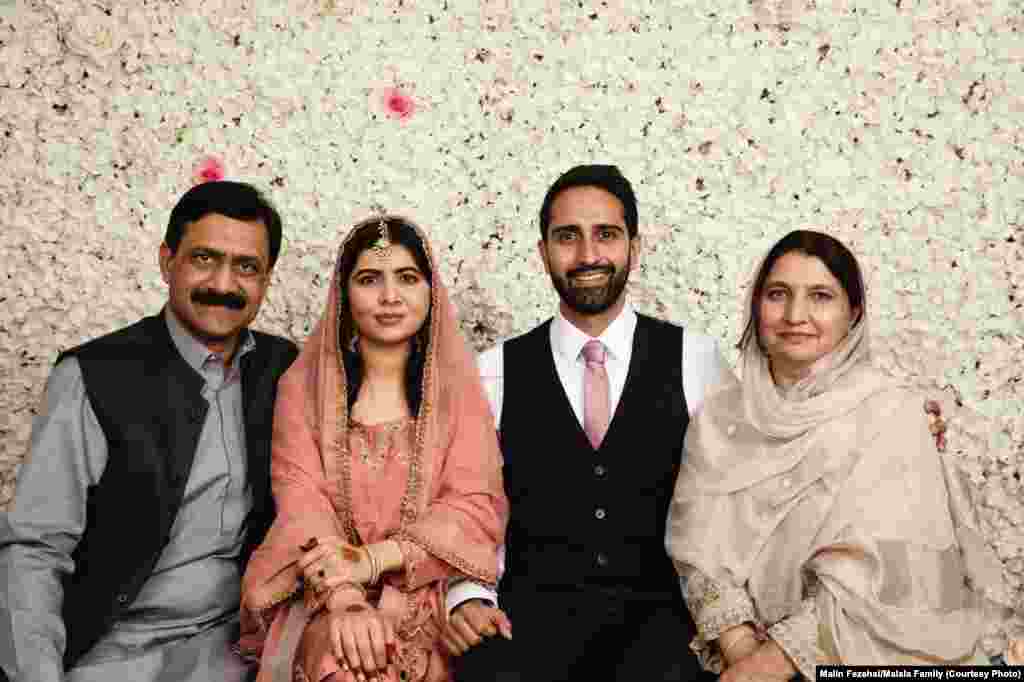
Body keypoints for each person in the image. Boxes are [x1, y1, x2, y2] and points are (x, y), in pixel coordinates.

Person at [666, 230, 1009, 678]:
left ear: (855, 313)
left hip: (873, 658)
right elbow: (699, 554)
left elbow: (886, 577)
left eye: (821, 296)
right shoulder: (719, 420)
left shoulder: (892, 416)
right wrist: (742, 650)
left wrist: (773, 664)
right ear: (755, 305)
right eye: (777, 294)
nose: (795, 315)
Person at [0, 180, 299, 682]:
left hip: (235, 648)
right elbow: (35, 548)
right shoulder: (95, 376)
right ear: (168, 262)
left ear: (266, 279)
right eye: (204, 259)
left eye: (246, 267)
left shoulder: (283, 370)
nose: (223, 284)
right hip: (113, 652)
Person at [448, 165, 731, 681]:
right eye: (567, 237)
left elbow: (731, 506)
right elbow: (468, 505)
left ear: (634, 247)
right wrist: (467, 595)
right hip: (528, 634)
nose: (587, 256)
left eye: (606, 234)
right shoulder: (492, 372)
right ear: (542, 253)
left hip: (663, 637)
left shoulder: (697, 360)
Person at [238, 215, 508, 682]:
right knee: (344, 666)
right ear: (344, 293)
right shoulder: (302, 389)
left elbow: (473, 507)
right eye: (368, 279)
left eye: (407, 278)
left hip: (432, 594)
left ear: (430, 290)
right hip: (327, 597)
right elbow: (302, 506)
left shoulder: (457, 395)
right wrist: (345, 596)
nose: (389, 297)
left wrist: (374, 559)